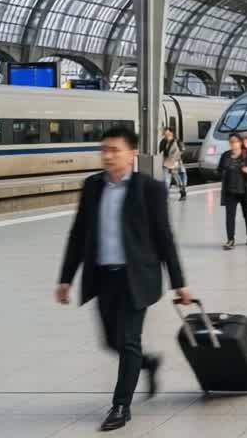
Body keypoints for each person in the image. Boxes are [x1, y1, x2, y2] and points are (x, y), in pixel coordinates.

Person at [56, 125, 191, 432]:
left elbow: (164, 237)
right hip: (102, 277)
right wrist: (65, 278)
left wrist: (179, 282)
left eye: (114, 150)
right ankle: (148, 363)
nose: (107, 156)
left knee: (129, 340)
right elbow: (78, 235)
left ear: (132, 154)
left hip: (136, 277)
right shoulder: (92, 187)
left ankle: (120, 405)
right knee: (111, 341)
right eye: (104, 150)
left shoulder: (150, 189)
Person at [218, 132, 247, 250]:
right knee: (229, 216)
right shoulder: (225, 156)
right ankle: (230, 240)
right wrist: (223, 172)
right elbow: (219, 170)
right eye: (230, 142)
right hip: (230, 191)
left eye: (235, 141)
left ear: (240, 142)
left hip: (245, 190)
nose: (232, 144)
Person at [158, 127, 187, 201]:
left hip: (176, 162)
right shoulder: (163, 141)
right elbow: (160, 151)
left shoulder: (177, 141)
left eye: (166, 131)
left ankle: (183, 193)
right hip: (166, 162)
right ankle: (165, 195)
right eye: (164, 131)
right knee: (166, 180)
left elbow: (182, 151)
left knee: (178, 179)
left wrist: (175, 160)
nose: (164, 132)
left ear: (171, 133)